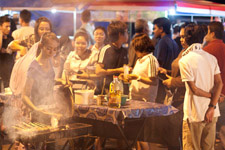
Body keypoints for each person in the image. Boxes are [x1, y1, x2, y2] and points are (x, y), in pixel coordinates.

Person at [179, 24, 223, 150]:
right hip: (212, 112)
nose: (181, 40)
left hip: (194, 113)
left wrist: (212, 97)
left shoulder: (185, 60)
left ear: (187, 38)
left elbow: (195, 89)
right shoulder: (211, 58)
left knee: (192, 147)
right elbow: (219, 83)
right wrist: (213, 103)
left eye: (183, 37)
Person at [156, 22, 192, 150]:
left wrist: (172, 81)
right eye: (181, 37)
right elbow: (180, 73)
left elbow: (188, 79)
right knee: (172, 134)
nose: (181, 40)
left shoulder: (191, 55)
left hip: (183, 98)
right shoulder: (182, 51)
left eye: (184, 37)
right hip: (175, 96)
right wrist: (168, 72)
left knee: (175, 135)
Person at [9, 17, 53, 96]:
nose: (45, 32)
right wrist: (21, 48)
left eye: (47, 29)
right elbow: (11, 45)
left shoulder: (52, 41)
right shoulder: (31, 39)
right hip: (30, 77)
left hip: (45, 78)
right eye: (41, 29)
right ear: (37, 30)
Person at [203, 21, 225, 149]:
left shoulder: (207, 51)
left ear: (212, 33)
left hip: (215, 96)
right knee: (223, 130)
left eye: (207, 32)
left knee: (209, 133)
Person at [96, 20, 129, 94]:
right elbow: (98, 71)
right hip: (106, 91)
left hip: (121, 90)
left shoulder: (124, 51)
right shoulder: (106, 49)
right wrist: (118, 70)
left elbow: (124, 69)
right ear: (120, 34)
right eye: (126, 32)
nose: (128, 34)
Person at [152, 17, 179, 104]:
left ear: (161, 29)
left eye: (155, 28)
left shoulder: (162, 42)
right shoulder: (173, 42)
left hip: (162, 81)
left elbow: (159, 63)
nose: (153, 31)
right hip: (170, 79)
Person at [0, 16, 14, 88]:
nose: (9, 29)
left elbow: (12, 52)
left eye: (9, 26)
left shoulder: (11, 38)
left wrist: (6, 51)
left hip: (9, 71)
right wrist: (0, 34)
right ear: (0, 26)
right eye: (6, 26)